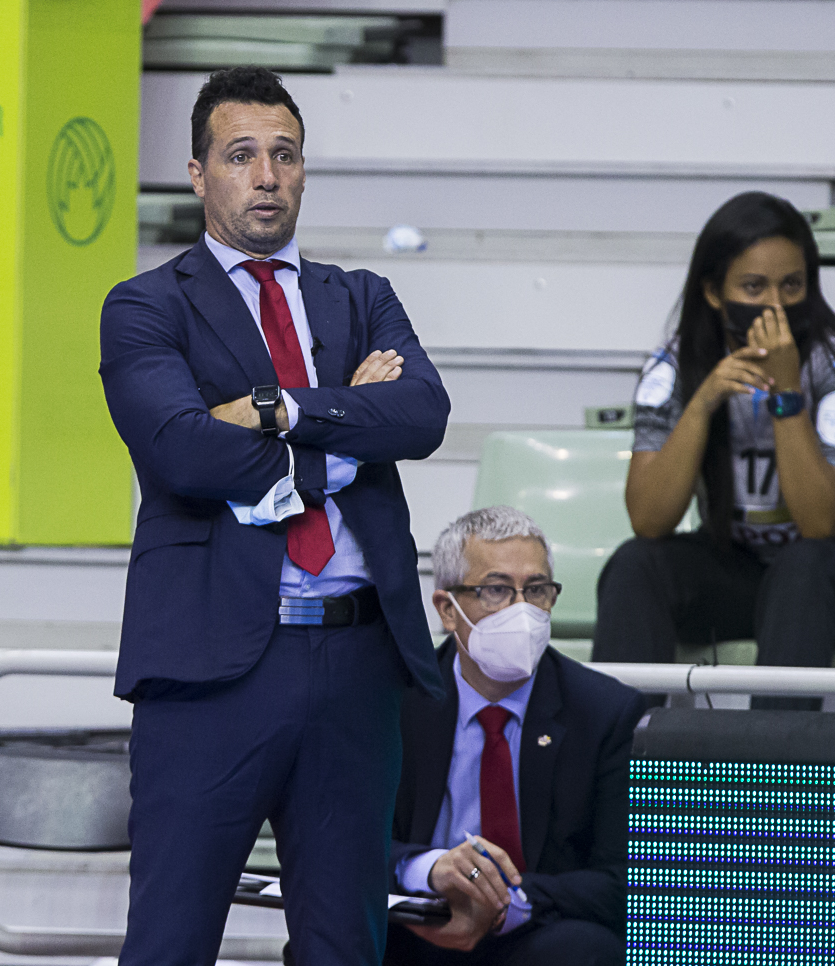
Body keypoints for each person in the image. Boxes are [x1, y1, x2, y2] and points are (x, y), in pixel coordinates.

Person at [99, 66, 451, 965]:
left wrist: (280, 409)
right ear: (197, 172)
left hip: (359, 662)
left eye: (285, 155)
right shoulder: (147, 305)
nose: (267, 175)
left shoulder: (360, 295)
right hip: (213, 669)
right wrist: (343, 422)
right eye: (242, 155)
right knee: (170, 942)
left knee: (345, 945)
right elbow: (180, 449)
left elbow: (420, 417)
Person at [592, 191, 835, 704]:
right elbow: (649, 519)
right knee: (636, 565)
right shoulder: (676, 366)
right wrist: (704, 401)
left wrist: (787, 395)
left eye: (791, 286)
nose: (774, 306)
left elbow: (820, 524)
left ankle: (769, 771)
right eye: (754, 287)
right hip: (755, 570)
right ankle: (620, 763)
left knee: (804, 567)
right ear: (714, 292)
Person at [388, 507, 645, 966]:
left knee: (590, 952)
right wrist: (429, 870)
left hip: (533, 929)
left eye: (537, 590)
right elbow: (347, 843)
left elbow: (622, 881)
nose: (522, 610)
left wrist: (502, 898)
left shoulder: (605, 711)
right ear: (448, 609)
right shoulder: (392, 701)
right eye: (497, 590)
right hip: (417, 924)